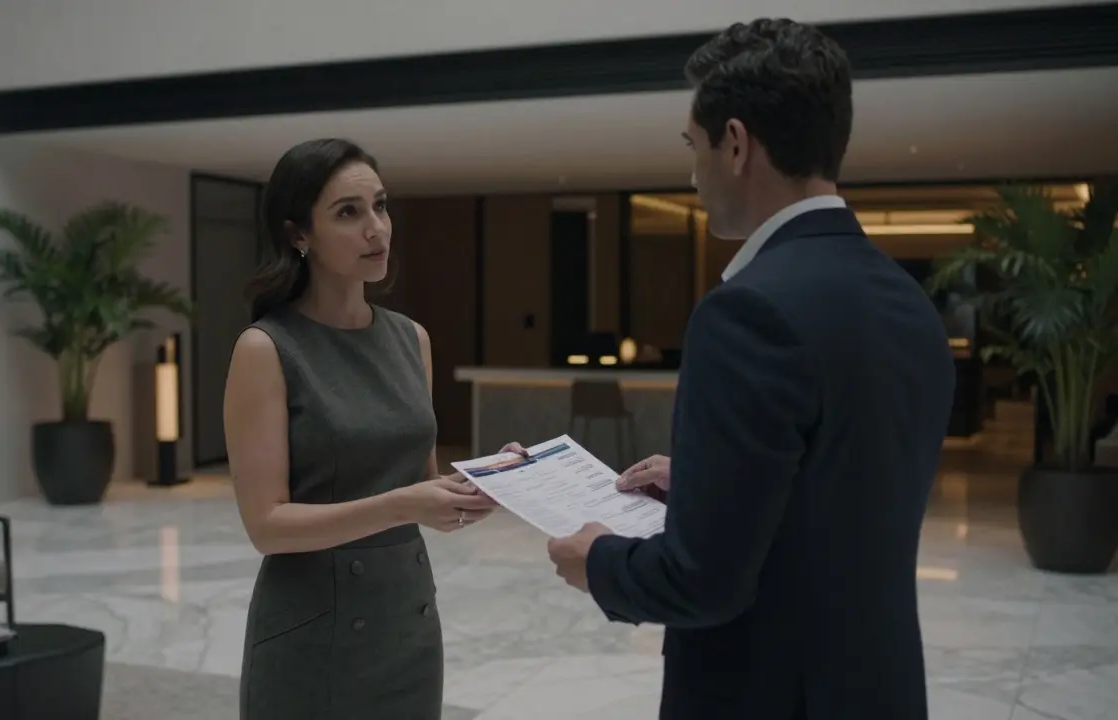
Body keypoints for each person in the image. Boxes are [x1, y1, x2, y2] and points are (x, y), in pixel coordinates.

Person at [541, 19, 956, 720]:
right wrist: (714, 483)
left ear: (734, 144)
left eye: (692, 147)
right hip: (877, 686)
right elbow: (847, 491)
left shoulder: (747, 312)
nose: (691, 173)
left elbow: (703, 584)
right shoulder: (908, 302)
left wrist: (599, 562)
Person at [223, 138, 499, 719]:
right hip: (313, 632)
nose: (377, 228)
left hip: (408, 623)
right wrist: (405, 505)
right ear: (299, 234)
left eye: (381, 206)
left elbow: (422, 485)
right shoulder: (266, 349)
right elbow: (267, 526)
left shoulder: (411, 339)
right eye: (349, 212)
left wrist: (490, 478)